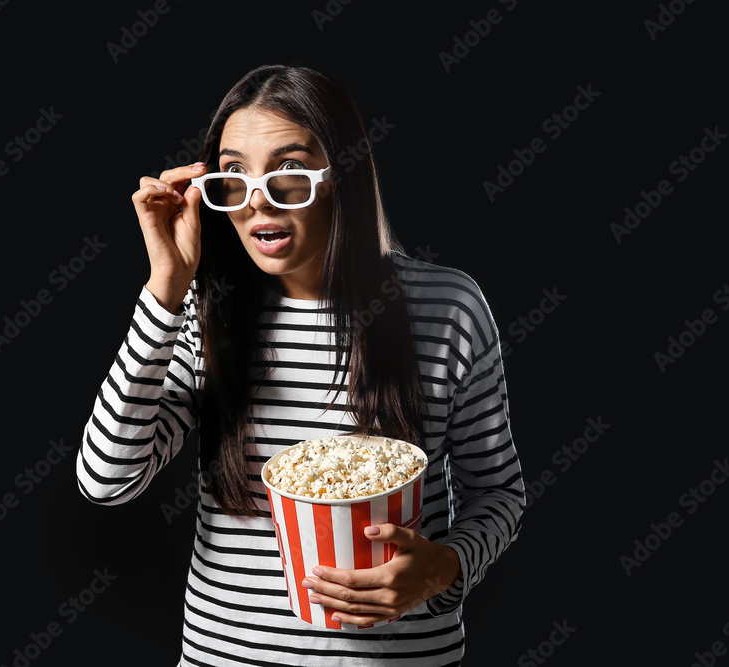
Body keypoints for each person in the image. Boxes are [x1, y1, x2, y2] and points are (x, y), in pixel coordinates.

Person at [77, 64, 525, 666]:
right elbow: (106, 480)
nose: (258, 198)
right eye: (233, 175)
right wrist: (164, 289)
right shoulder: (201, 314)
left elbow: (497, 491)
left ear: (344, 174)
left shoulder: (447, 308)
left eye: (289, 169)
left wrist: (444, 569)